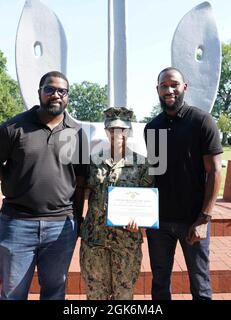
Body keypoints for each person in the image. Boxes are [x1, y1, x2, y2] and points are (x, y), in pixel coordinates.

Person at [0, 71, 88, 300]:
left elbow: (80, 181)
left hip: (61, 226)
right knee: (13, 293)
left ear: (68, 96)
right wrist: (12, 180)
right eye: (49, 89)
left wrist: (77, 218)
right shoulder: (14, 127)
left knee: (55, 292)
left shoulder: (77, 133)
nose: (56, 95)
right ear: (40, 93)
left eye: (62, 91)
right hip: (18, 224)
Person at [144, 67, 223, 300]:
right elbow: (156, 175)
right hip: (160, 224)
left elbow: (215, 171)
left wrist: (204, 219)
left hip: (193, 221)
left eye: (174, 84)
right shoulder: (152, 128)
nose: (169, 90)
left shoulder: (202, 121)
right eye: (163, 86)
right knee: (159, 284)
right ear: (157, 89)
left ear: (184, 87)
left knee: (200, 285)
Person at [79, 107, 154, 300]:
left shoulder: (142, 164)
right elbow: (81, 191)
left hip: (126, 243)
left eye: (122, 129)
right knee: (96, 295)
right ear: (106, 131)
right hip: (95, 242)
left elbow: (148, 201)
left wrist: (140, 221)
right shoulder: (93, 161)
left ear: (129, 131)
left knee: (124, 294)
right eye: (111, 129)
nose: (117, 134)